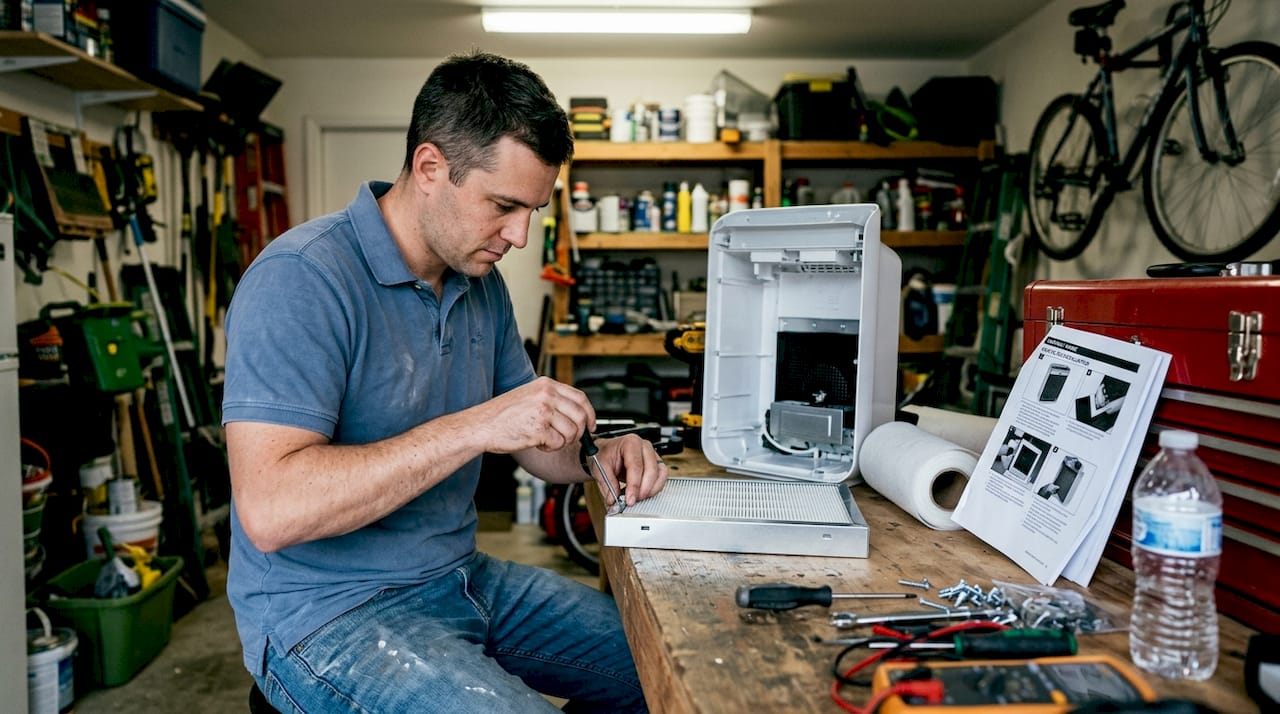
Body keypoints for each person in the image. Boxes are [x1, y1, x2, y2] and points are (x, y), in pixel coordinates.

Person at [221, 51, 667, 713]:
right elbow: (272, 511)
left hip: (457, 579)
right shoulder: (302, 278)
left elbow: (528, 442)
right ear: (431, 168)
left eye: (532, 212)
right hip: (325, 616)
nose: (519, 235)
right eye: (504, 206)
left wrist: (600, 453)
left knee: (662, 664)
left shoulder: (478, 283)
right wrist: (477, 426)